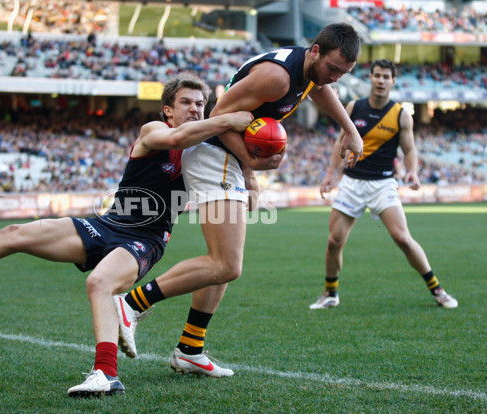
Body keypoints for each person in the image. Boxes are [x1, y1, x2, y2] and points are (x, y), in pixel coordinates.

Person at [0, 74, 255, 397]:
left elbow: (246, 161)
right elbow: (181, 136)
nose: (194, 108)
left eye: (201, 104)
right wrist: (228, 119)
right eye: (186, 102)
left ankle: (106, 374)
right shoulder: (155, 131)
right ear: (168, 110)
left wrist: (249, 172)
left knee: (100, 283)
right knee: (16, 232)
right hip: (106, 225)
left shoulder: (206, 153)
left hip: (144, 241)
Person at [114, 23, 365, 376]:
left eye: (344, 73)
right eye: (333, 69)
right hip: (215, 156)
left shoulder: (309, 72)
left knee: (224, 264)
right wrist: (249, 162)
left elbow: (318, 88)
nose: (335, 78)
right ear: (315, 51)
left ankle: (190, 348)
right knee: (226, 264)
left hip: (225, 159)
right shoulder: (276, 78)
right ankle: (130, 303)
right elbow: (218, 116)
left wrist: (351, 131)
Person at [309, 59, 458, 310]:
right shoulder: (354, 107)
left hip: (383, 184)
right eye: (377, 75)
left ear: (392, 81)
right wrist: (329, 174)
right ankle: (330, 293)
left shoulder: (401, 115)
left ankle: (437, 290)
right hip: (352, 182)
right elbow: (340, 144)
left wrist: (412, 171)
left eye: (386, 76)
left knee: (402, 238)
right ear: (370, 78)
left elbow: (410, 149)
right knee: (334, 241)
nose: (381, 80)